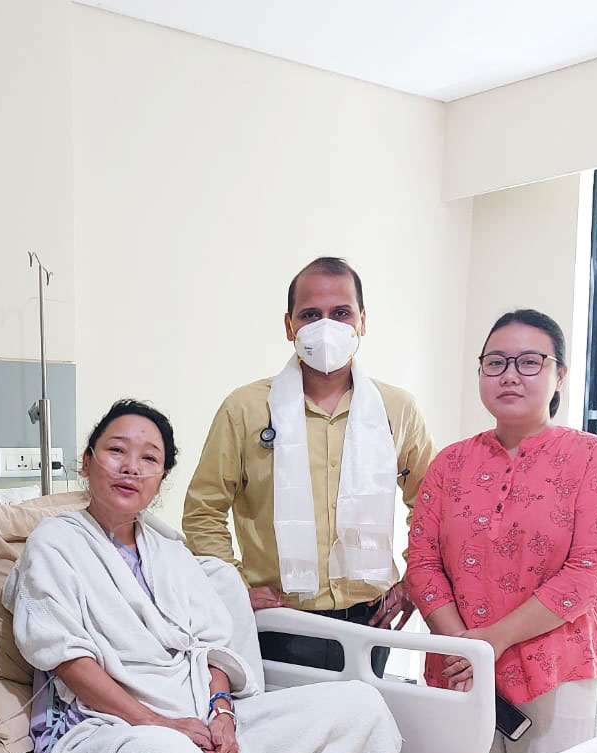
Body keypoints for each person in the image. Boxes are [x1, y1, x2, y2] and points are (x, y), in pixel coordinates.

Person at [0, 399, 402, 753]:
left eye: (149, 459)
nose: (131, 467)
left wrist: (223, 717)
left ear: (161, 478)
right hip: (109, 727)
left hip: (198, 714)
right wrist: (160, 724)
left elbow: (212, 651)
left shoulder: (171, 553)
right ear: (87, 462)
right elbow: (67, 659)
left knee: (363, 707)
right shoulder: (54, 544)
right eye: (116, 451)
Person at [183, 257, 437, 671]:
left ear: (362, 321)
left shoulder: (397, 408)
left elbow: (431, 505)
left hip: (370, 622)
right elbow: (203, 511)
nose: (326, 326)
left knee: (365, 713)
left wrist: (414, 581)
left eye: (341, 313)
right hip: (279, 623)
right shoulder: (246, 409)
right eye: (310, 315)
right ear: (289, 326)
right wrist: (234, 586)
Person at [405, 309, 597, 753]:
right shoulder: (449, 463)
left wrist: (495, 640)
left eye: (529, 362)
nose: (510, 375)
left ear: (559, 375)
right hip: (459, 666)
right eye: (496, 363)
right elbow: (421, 563)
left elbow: (589, 574)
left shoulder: (594, 459)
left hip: (558, 670)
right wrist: (465, 647)